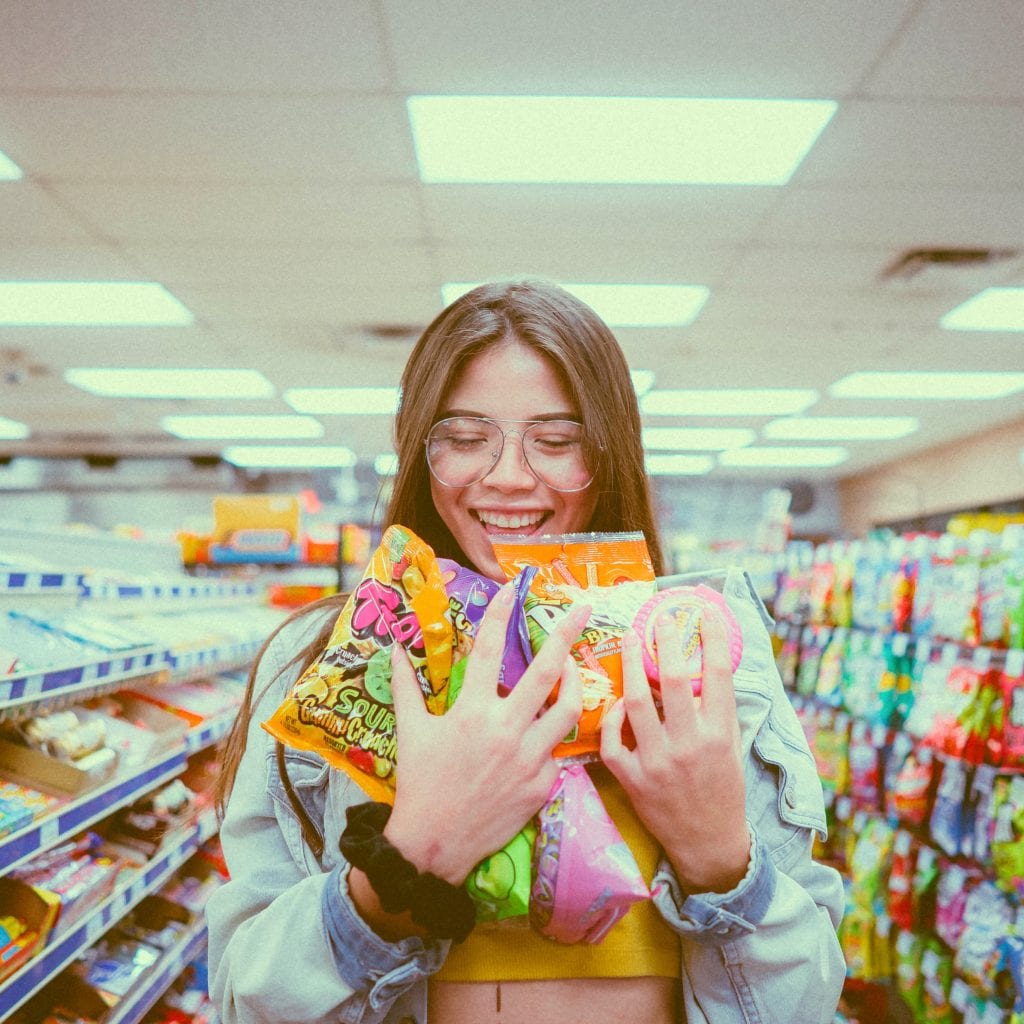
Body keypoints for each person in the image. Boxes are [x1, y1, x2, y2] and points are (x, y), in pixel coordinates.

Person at [207, 279, 846, 1024]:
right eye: (466, 438)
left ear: (609, 455)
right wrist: (404, 863)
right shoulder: (320, 662)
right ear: (420, 449)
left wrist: (720, 861)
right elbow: (242, 1004)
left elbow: (805, 1005)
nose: (508, 476)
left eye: (556, 440)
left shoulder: (695, 652)